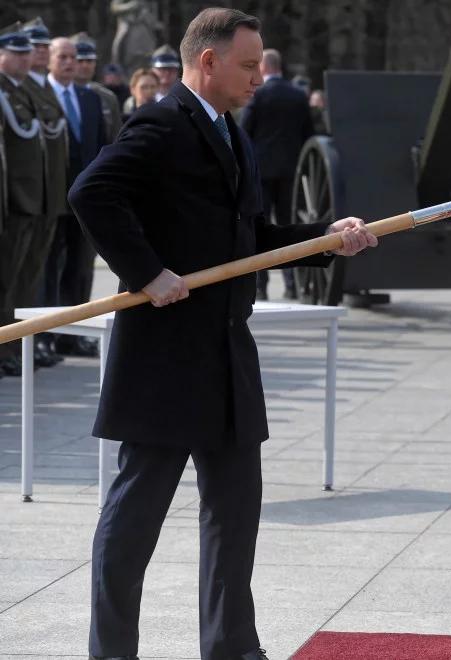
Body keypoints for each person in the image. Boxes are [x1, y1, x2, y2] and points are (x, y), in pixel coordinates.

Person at [68, 9, 377, 659]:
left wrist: (327, 240)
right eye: (247, 64)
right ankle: (112, 650)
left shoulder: (231, 133)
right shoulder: (160, 123)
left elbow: (252, 244)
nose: (260, 76)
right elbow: (92, 192)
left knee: (234, 518)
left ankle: (233, 647)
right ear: (207, 62)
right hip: (164, 359)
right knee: (133, 525)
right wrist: (147, 272)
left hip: (227, 356)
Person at [44, 37, 109, 358]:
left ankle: (75, 334)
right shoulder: (40, 97)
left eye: (74, 57)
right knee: (48, 269)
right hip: (50, 200)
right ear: (50, 61)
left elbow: (100, 148)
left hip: (84, 202)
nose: (70, 63)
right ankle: (44, 335)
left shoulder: (90, 98)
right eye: (64, 57)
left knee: (80, 270)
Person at [241, 48, 314, 301]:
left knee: (260, 227)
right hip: (291, 171)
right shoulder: (298, 95)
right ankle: (291, 282)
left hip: (260, 170)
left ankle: (261, 284)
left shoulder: (257, 95)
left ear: (263, 68)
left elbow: (244, 131)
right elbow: (308, 133)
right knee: (287, 225)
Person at [18, 17, 69, 368]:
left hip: (48, 199)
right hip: (24, 200)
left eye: (38, 47)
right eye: (29, 48)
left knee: (39, 276)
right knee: (20, 281)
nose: (33, 54)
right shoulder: (19, 91)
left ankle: (36, 341)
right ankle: (16, 346)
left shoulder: (43, 90)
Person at [0, 25, 46, 377]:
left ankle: (14, 348)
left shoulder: (23, 90)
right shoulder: (5, 91)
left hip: (31, 199)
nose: (23, 58)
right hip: (14, 199)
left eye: (24, 52)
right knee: (7, 281)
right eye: (15, 53)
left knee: (21, 281)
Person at [73, 33, 123, 144]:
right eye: (80, 61)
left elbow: (116, 138)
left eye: (89, 61)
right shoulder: (58, 94)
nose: (85, 65)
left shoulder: (107, 97)